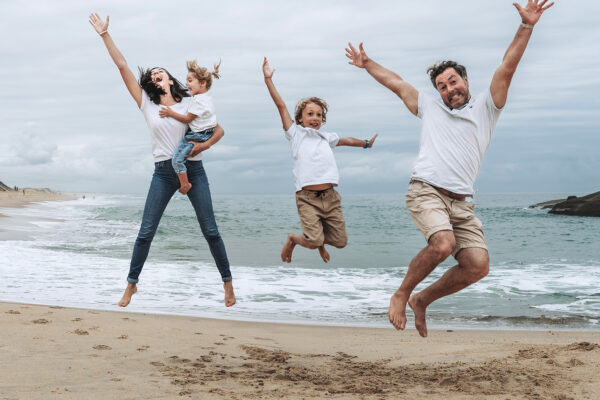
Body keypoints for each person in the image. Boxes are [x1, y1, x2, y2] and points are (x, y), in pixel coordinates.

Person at [346, 0, 553, 337]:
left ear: (465, 80)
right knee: (442, 244)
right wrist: (368, 63)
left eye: (453, 81)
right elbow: (397, 83)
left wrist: (526, 26)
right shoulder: (429, 107)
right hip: (425, 189)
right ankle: (400, 294)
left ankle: (422, 300)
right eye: (442, 86)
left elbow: (507, 67)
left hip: (462, 202)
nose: (449, 89)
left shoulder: (487, 107)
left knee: (477, 266)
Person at [89, 13, 236, 308]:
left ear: (170, 79)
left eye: (161, 72)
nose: (156, 75)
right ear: (151, 83)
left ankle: (228, 285)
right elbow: (122, 67)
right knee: (145, 233)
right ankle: (131, 286)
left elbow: (218, 130)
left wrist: (202, 146)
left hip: (194, 170)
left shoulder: (190, 103)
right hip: (162, 173)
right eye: (152, 74)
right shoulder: (146, 104)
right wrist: (105, 35)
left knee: (210, 231)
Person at [262, 57, 378, 263]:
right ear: (300, 118)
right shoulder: (295, 134)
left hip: (331, 197)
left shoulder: (327, 137)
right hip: (307, 198)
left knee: (341, 241)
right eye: (310, 114)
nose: (315, 118)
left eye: (319, 115)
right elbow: (280, 105)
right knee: (314, 240)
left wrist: (365, 143)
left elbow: (346, 140)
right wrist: (268, 80)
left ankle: (318, 243)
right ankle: (293, 239)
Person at [159, 60, 222, 195]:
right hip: (205, 132)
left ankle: (185, 183)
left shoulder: (197, 101)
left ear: (202, 83)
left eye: (190, 80)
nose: (187, 84)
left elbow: (187, 119)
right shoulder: (205, 98)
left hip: (197, 135)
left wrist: (170, 113)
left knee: (177, 159)